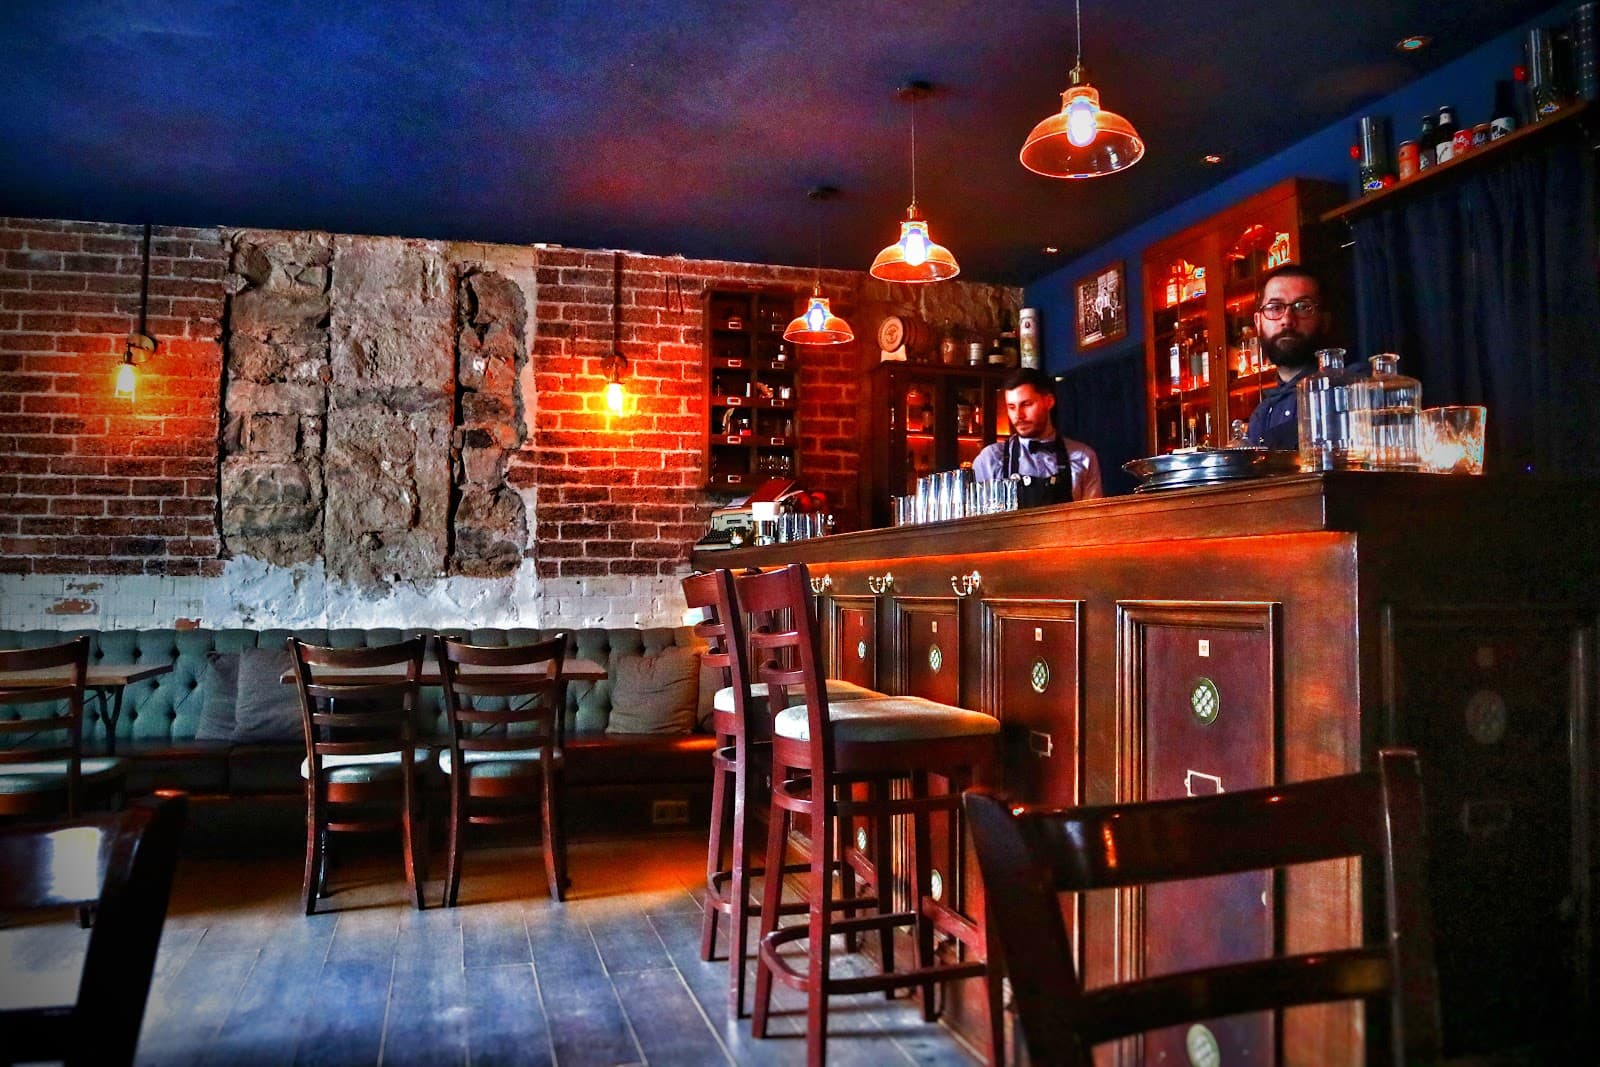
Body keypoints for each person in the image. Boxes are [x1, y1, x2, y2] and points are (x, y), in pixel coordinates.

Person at [972, 367, 1103, 503]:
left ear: (1049, 402)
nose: (1018, 415)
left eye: (1026, 404)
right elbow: (980, 521)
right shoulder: (990, 460)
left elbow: (1092, 520)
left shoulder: (1083, 457)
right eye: (1011, 407)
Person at [1244, 263, 1335, 450]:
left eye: (1302, 307)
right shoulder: (1261, 416)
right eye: (1275, 308)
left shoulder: (1350, 386)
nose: (1287, 320)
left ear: (1324, 321)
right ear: (1258, 322)